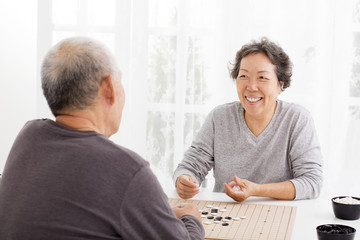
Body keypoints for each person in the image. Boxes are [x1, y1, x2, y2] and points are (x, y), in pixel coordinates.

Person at [0, 37, 204, 240]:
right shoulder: (128, 170)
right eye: (120, 81)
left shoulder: (29, 136)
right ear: (108, 88)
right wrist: (190, 218)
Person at [173, 37, 323, 202]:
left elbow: (312, 182)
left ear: (281, 85)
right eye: (243, 76)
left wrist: (257, 190)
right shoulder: (220, 117)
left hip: (281, 214)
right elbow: (189, 167)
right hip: (226, 213)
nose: (251, 87)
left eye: (262, 78)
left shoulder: (297, 119)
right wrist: (183, 180)